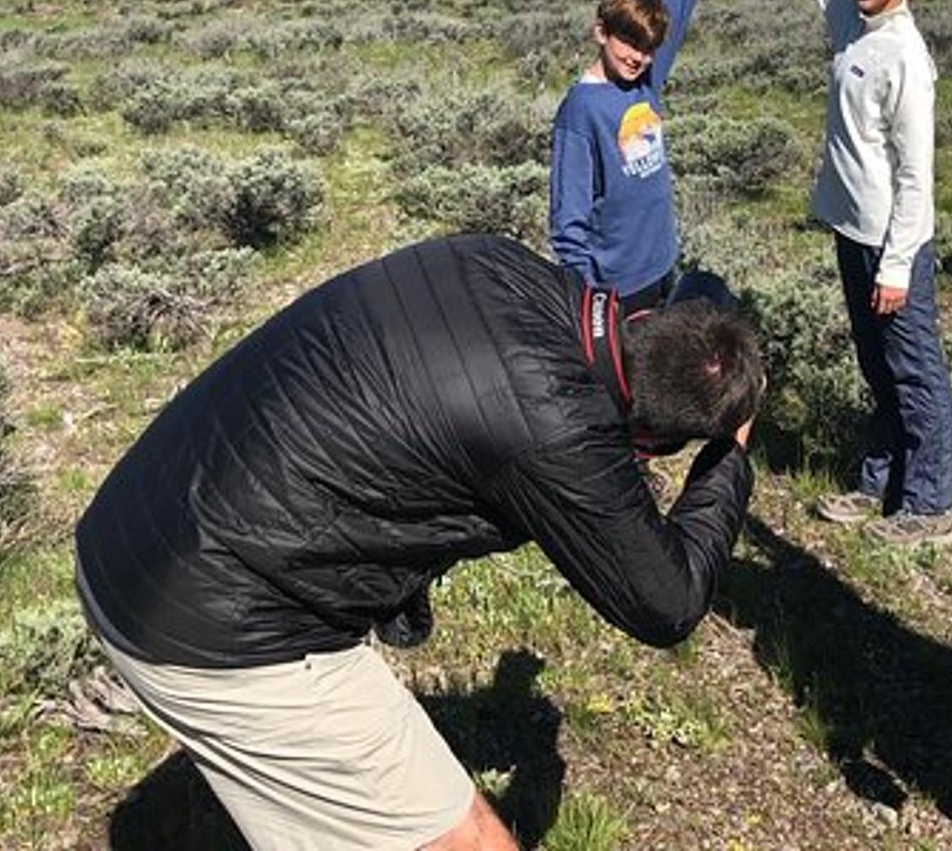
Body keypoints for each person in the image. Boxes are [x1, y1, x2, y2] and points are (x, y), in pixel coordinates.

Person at [74, 235, 763, 851]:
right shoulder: (559, 429)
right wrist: (728, 454)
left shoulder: (496, 260)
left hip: (134, 525)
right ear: (648, 441)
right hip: (216, 625)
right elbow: (666, 602)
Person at [740, 0, 952, 547]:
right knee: (878, 364)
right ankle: (878, 479)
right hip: (853, 231)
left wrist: (896, 265)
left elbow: (917, 174)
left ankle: (929, 502)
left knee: (914, 369)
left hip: (893, 242)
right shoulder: (851, 16)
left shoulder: (903, 57)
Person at [550, 0, 741, 318]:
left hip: (662, 264)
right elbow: (569, 220)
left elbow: (678, 2)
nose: (638, 57)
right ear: (601, 32)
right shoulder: (580, 111)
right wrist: (586, 304)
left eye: (649, 48)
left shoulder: (645, 80)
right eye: (629, 43)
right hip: (615, 288)